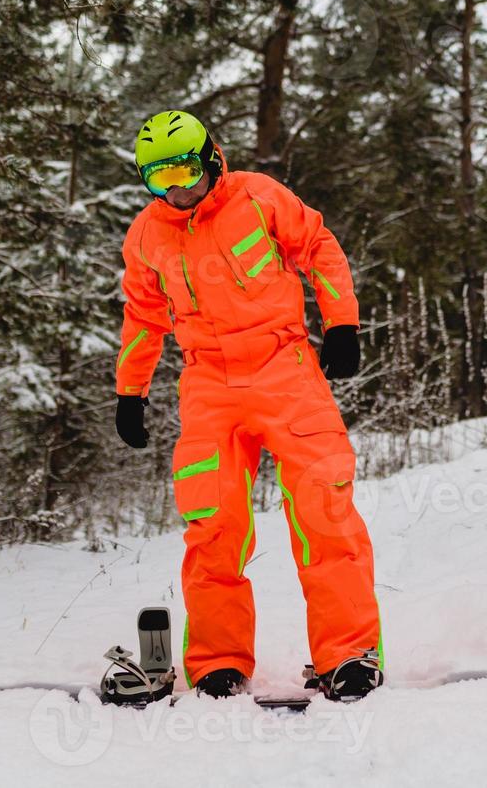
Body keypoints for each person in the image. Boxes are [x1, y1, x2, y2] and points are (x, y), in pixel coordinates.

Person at [112, 110, 383, 702]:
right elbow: (142, 316)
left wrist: (341, 325)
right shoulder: (147, 235)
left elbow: (320, 248)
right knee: (212, 527)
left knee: (324, 513)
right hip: (207, 383)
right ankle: (216, 662)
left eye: (185, 172)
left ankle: (348, 657)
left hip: (284, 370)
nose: (177, 191)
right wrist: (129, 390)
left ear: (211, 160)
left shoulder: (259, 198)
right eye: (160, 181)